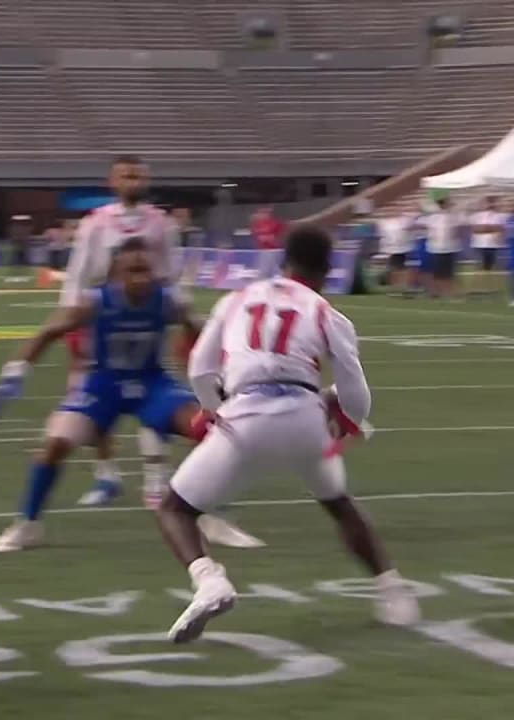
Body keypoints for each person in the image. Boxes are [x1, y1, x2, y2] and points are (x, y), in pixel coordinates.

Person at [155, 225, 420, 644]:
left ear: (283, 261)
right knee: (338, 504)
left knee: (174, 508)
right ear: (328, 270)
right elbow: (354, 389)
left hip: (245, 415)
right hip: (304, 419)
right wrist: (346, 426)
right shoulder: (326, 313)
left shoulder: (236, 299)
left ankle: (210, 580)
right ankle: (394, 592)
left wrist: (212, 411)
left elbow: (200, 369)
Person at [0, 239, 261, 552]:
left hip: (152, 383)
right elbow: (50, 330)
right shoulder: (96, 302)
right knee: (55, 444)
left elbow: (198, 329)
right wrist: (16, 370)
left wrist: (220, 370)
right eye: (133, 271)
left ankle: (215, 517)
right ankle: (28, 525)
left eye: (145, 270)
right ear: (116, 274)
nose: (141, 278)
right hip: (104, 384)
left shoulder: (168, 301)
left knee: (212, 432)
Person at [61, 155, 182, 508]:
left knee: (153, 392)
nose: (133, 181)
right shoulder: (96, 223)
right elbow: (78, 271)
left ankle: (156, 479)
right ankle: (106, 474)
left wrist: (174, 311)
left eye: (139, 176)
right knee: (93, 397)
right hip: (101, 313)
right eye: (126, 175)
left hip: (148, 314)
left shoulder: (161, 223)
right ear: (112, 181)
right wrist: (72, 316)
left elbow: (172, 271)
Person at [424, 196, 463, 299]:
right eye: (446, 203)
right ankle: (441, 292)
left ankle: (449, 292)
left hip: (450, 248)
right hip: (437, 248)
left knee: (449, 272)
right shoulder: (433, 217)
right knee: (439, 272)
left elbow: (457, 228)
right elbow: (431, 232)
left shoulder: (453, 216)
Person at [469, 196, 505, 296]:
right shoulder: (477, 216)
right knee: (480, 267)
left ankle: (491, 288)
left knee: (491, 268)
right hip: (480, 244)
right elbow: (475, 229)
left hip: (492, 244)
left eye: (492, 202)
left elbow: (499, 228)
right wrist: (490, 228)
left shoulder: (498, 216)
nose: (490, 205)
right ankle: (476, 288)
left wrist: (485, 228)